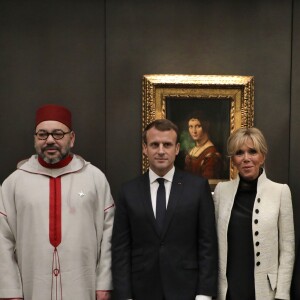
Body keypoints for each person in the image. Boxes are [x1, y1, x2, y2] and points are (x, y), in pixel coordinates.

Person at [0, 104, 115, 300]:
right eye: (42, 134)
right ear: (35, 139)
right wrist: (10, 291)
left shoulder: (95, 178)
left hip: (82, 287)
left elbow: (108, 234)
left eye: (58, 134)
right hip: (32, 288)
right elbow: (3, 239)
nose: (50, 140)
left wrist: (104, 283)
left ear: (72, 138)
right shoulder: (14, 182)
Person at [112, 119, 218, 300]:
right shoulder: (128, 191)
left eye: (167, 145)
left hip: (187, 290)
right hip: (141, 291)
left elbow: (207, 244)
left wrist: (204, 294)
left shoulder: (197, 188)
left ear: (176, 149)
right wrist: (124, 295)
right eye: (154, 144)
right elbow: (121, 249)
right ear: (145, 148)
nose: (161, 151)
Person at [213, 127, 295, 300]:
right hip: (228, 289)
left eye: (252, 152)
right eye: (239, 153)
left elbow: (287, 250)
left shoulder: (280, 192)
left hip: (266, 291)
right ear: (233, 160)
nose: (246, 158)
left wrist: (282, 293)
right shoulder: (221, 191)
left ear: (262, 156)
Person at [184, 111, 223, 179]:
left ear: (206, 126)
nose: (194, 131)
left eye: (198, 126)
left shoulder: (211, 153)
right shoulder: (192, 151)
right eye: (191, 126)